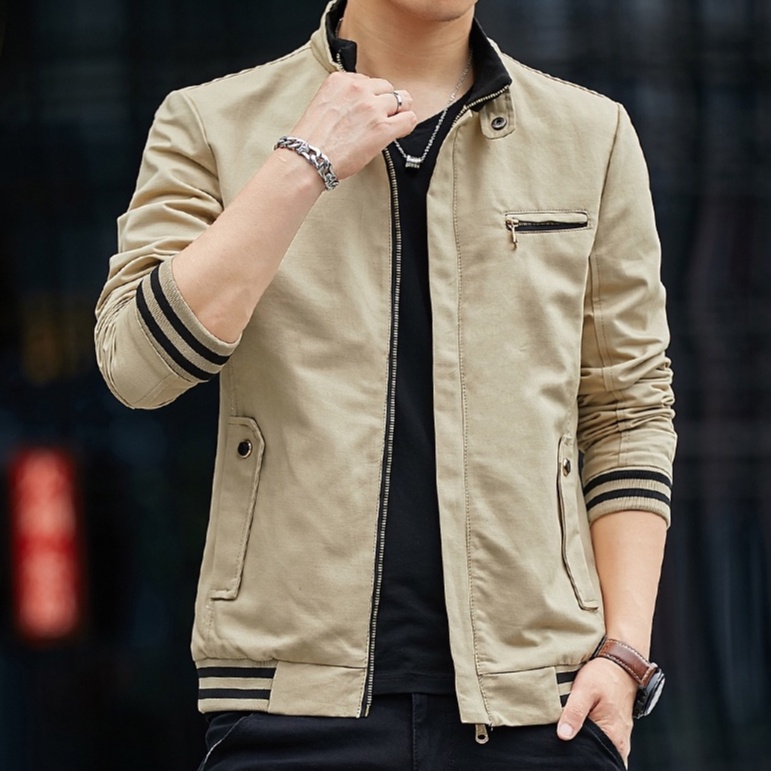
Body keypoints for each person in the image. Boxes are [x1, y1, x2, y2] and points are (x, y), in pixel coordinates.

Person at [94, 0, 676, 768]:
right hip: (291, 701)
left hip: (544, 704)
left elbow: (626, 408)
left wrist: (623, 653)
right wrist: (303, 160)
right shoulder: (211, 122)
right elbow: (137, 367)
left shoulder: (588, 135)